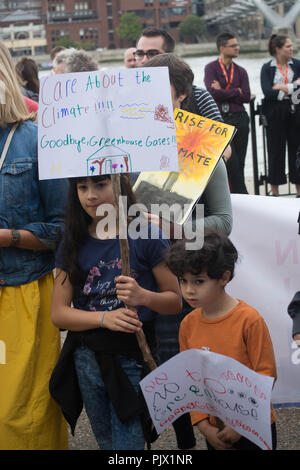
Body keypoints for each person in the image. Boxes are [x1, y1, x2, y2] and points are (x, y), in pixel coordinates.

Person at [49, 175, 182, 450]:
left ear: (120, 184)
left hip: (132, 355)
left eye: (100, 185)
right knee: (107, 442)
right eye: (82, 187)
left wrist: (143, 296)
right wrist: (103, 318)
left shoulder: (146, 234)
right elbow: (59, 314)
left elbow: (174, 301)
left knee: (128, 444)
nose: (90, 196)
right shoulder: (72, 240)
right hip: (87, 358)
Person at [142, 52, 233, 450]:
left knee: (194, 363)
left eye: (155, 90)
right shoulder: (131, 145)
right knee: (158, 365)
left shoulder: (204, 146)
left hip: (191, 273)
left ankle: (203, 436)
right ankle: (182, 441)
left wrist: (178, 228)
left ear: (179, 95)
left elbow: (224, 220)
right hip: (144, 275)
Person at [0, 42, 69, 450]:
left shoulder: (36, 138)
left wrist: (7, 237)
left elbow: (63, 229)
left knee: (23, 411)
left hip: (23, 293)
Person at [165, 232, 277, 451]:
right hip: (215, 428)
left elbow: (266, 375)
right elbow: (192, 381)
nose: (189, 290)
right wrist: (203, 425)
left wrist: (241, 424)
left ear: (224, 278)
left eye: (199, 281)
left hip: (255, 426)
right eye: (183, 281)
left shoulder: (249, 320)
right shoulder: (187, 325)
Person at [135, 27, 227, 127]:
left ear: (169, 56)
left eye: (152, 54)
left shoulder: (199, 97)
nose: (144, 60)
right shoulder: (127, 96)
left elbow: (222, 141)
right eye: (139, 54)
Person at [204, 32, 251, 194]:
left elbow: (245, 96)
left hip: (240, 119)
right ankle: (240, 194)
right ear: (222, 48)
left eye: (237, 45)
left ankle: (239, 196)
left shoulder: (241, 71)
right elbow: (212, 93)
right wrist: (235, 91)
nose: (237, 48)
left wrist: (223, 90)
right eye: (233, 46)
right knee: (230, 162)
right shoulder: (211, 68)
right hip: (220, 121)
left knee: (241, 161)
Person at [260, 34, 300, 197]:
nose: (292, 49)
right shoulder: (267, 67)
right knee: (275, 150)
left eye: (292, 46)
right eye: (288, 46)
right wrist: (292, 86)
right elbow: (267, 91)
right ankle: (274, 192)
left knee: (297, 150)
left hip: (296, 111)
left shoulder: (297, 64)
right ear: (278, 49)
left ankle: (298, 191)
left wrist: (281, 87)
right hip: (274, 113)